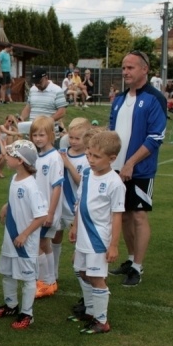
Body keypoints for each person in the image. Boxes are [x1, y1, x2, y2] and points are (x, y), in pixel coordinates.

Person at [107, 50, 167, 287]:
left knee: (139, 216)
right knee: (124, 215)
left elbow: (155, 137)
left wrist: (131, 162)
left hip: (140, 170)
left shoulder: (155, 99)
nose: (125, 72)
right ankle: (130, 260)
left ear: (145, 69)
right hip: (115, 170)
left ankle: (138, 268)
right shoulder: (119, 99)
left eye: (131, 68)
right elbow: (112, 133)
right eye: (123, 68)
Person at [68, 131, 125, 334]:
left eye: (96, 156)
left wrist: (114, 245)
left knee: (96, 276)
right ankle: (90, 311)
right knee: (81, 271)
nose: (91, 160)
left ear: (112, 158)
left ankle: (102, 321)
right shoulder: (86, 173)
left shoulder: (115, 183)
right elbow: (80, 202)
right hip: (83, 234)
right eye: (89, 154)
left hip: (98, 238)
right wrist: (75, 225)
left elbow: (117, 215)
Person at [0, 140, 46, 330]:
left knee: (28, 278)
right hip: (10, 239)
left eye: (11, 155)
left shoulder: (31, 186)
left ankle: (27, 313)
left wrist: (24, 235)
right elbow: (16, 200)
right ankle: (11, 305)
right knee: (7, 273)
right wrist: (7, 206)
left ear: (20, 161)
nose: (7, 157)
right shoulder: (15, 179)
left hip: (23, 242)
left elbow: (41, 216)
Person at [30, 116, 64, 299]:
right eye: (34, 135)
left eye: (41, 135)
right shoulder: (38, 156)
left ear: (51, 135)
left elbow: (57, 187)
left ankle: (44, 281)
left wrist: (51, 212)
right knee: (45, 243)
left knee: (39, 244)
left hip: (46, 211)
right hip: (39, 210)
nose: (38, 138)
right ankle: (50, 280)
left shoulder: (54, 158)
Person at [55, 118, 91, 282]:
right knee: (54, 238)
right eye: (71, 137)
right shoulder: (61, 152)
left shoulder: (87, 158)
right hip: (58, 205)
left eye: (78, 138)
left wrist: (68, 164)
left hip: (74, 208)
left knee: (78, 243)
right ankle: (52, 275)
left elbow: (80, 182)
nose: (73, 141)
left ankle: (87, 282)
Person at [21, 68, 68, 136]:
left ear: (46, 78)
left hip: (49, 133)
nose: (37, 85)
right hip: (33, 132)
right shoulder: (32, 89)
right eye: (35, 83)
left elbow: (62, 112)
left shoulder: (57, 90)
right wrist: (22, 118)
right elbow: (28, 107)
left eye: (39, 82)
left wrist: (47, 121)